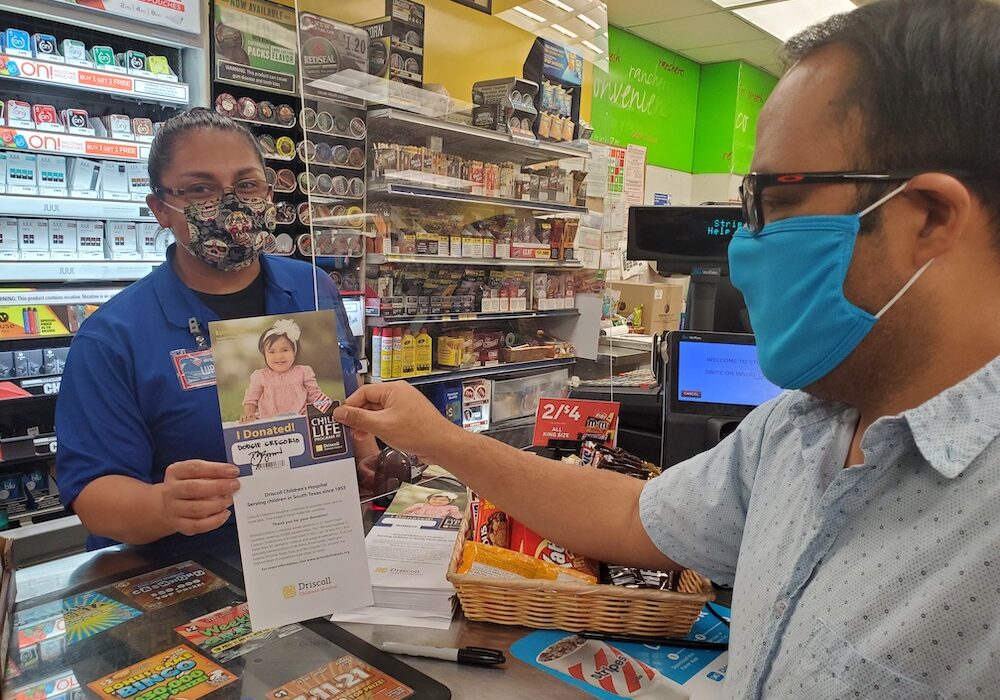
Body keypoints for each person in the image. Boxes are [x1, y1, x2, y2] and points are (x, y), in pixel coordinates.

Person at [334, 0, 1000, 696]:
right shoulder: (800, 426)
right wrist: (438, 438)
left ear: (929, 216)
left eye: (773, 202)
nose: (744, 248)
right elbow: (628, 515)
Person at [56, 108, 377, 554]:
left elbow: (345, 393)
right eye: (200, 188)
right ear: (160, 210)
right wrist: (163, 506)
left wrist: (368, 460)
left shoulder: (313, 286)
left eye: (245, 185)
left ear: (267, 193)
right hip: (188, 578)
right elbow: (92, 494)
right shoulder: (111, 338)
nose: (230, 204)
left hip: (315, 546)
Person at [240, 318, 332, 423]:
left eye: (285, 350)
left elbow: (315, 394)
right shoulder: (260, 376)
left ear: (294, 352)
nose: (279, 356)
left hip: (300, 418)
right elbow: (251, 398)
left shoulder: (303, 372)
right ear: (264, 354)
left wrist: (329, 408)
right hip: (270, 421)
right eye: (272, 352)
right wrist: (249, 413)